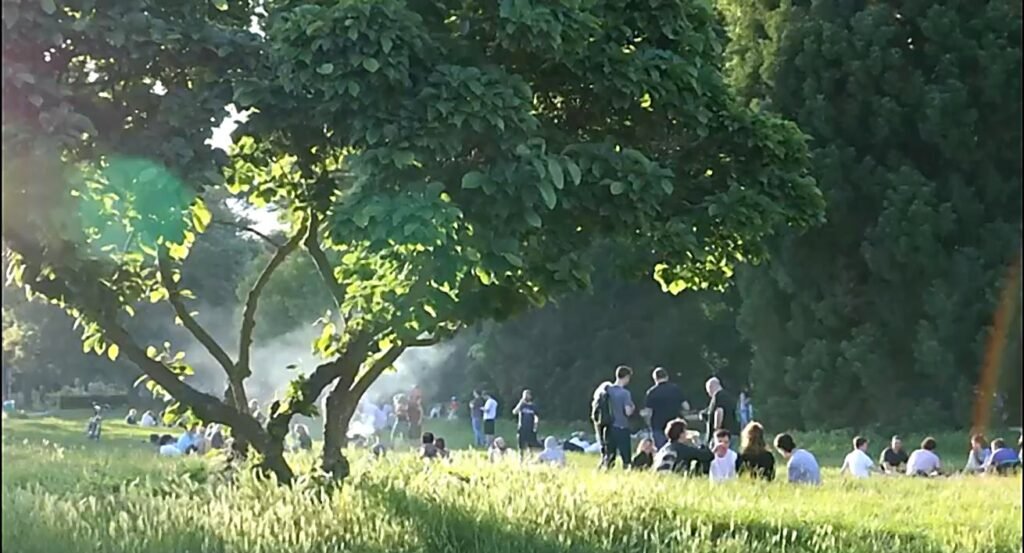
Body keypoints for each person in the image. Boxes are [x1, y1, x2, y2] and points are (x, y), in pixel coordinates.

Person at [593, 365, 636, 470]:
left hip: (608, 427)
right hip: (621, 427)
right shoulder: (625, 393)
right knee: (626, 458)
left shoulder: (607, 390)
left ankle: (605, 473)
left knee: (609, 456)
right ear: (626, 377)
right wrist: (633, 408)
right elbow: (627, 412)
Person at [643, 367, 689, 449]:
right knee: (677, 449)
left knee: (661, 451)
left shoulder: (651, 392)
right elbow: (686, 407)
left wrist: (648, 424)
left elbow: (648, 412)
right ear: (667, 376)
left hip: (658, 425)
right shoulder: (675, 389)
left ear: (655, 379)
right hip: (675, 426)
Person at [702, 377, 739, 448]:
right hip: (732, 432)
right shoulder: (729, 397)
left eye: (708, 392)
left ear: (711, 387)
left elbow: (719, 412)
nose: (709, 395)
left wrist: (716, 430)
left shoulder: (718, 395)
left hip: (722, 436)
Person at [512, 389, 541, 459]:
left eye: (527, 395)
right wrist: (520, 402)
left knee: (531, 444)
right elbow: (514, 412)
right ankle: (521, 458)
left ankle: (530, 457)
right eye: (524, 395)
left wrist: (536, 425)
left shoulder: (533, 406)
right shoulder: (521, 405)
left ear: (530, 396)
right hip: (522, 427)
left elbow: (537, 416)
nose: (526, 396)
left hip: (530, 428)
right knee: (521, 444)